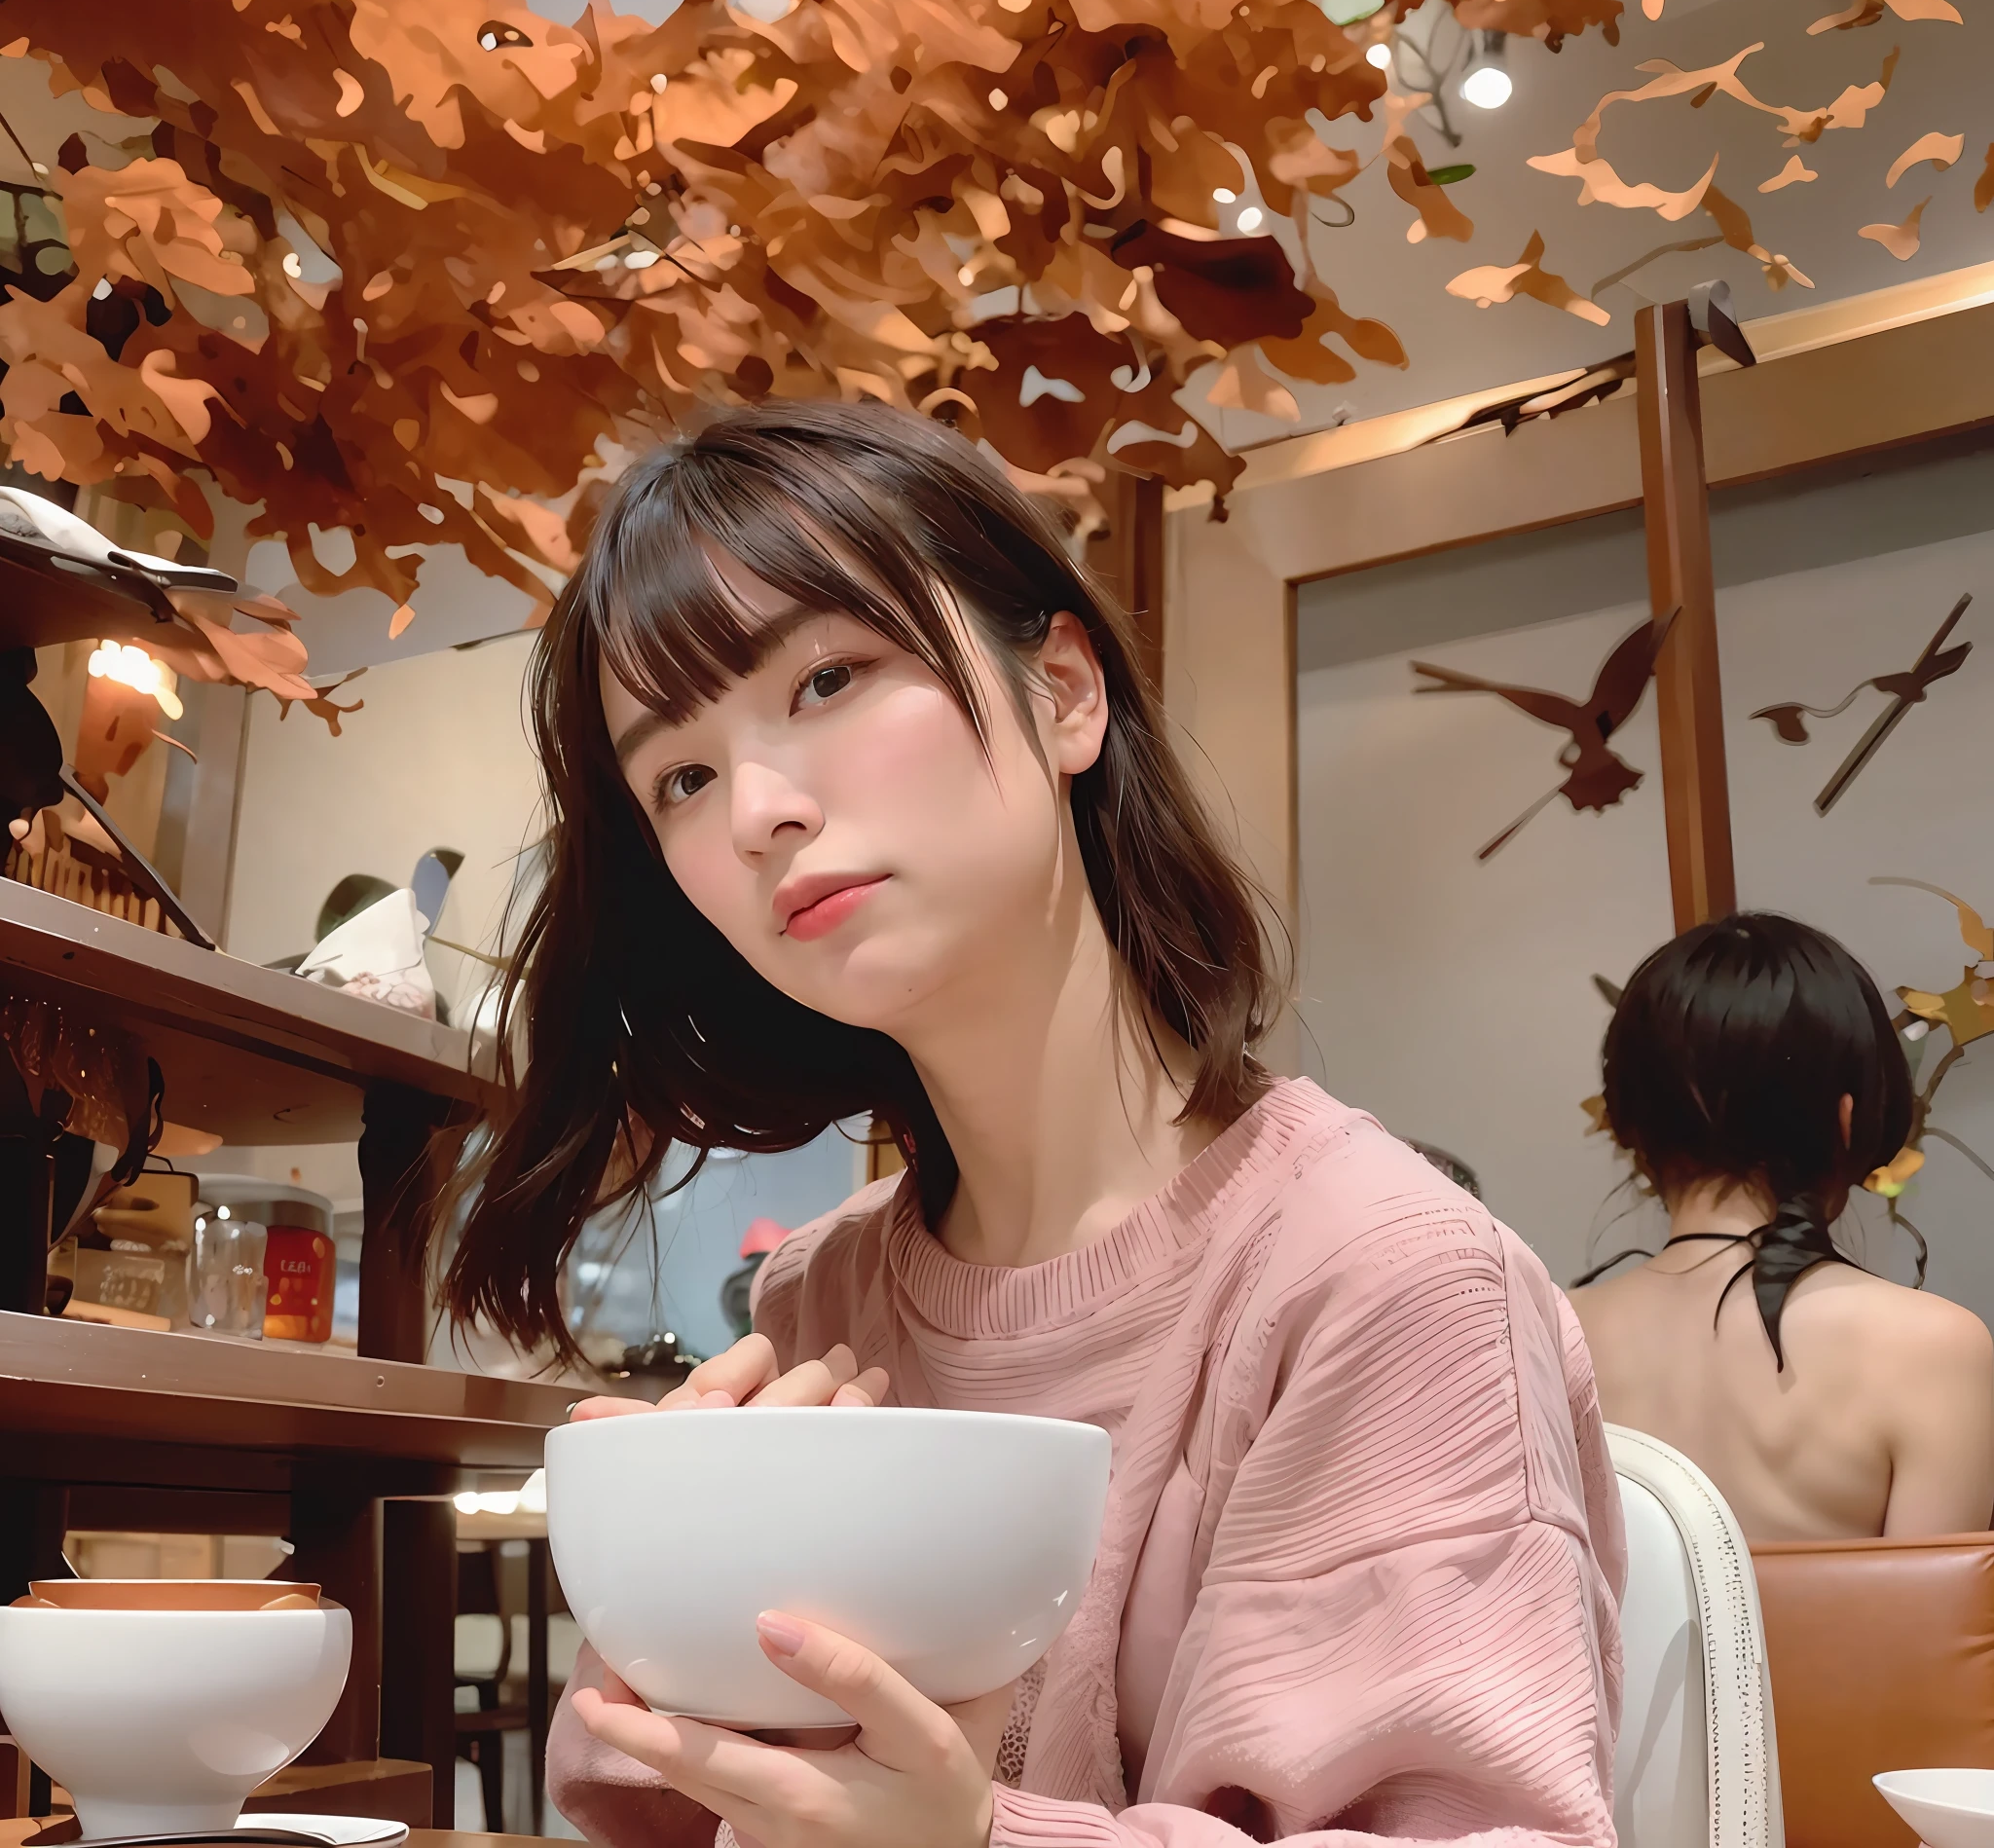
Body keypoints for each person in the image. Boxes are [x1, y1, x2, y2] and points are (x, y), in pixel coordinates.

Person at [440, 401, 1624, 1848]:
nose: (754, 808)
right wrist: (678, 1589)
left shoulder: (1381, 1280)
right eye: (678, 775)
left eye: (826, 677)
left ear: (1065, 692)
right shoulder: (823, 1294)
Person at [1569, 911, 1994, 1543]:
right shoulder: (1934, 1348)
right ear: (1848, 1119)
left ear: (1629, 1125)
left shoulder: (1540, 1338)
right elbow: (1930, 1637)